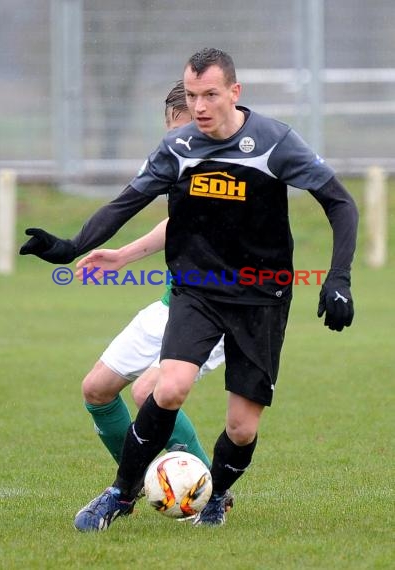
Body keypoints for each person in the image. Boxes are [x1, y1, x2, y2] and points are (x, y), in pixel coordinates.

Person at [20, 48, 358, 530]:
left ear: (234, 93)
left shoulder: (273, 142)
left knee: (242, 428)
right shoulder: (178, 147)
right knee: (167, 386)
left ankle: (216, 496)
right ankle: (119, 493)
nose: (199, 106)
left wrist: (338, 276)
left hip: (262, 297)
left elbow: (340, 203)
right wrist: (72, 245)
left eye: (210, 95)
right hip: (196, 290)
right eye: (193, 95)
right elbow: (126, 203)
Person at [73, 82, 225, 474]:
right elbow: (179, 222)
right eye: (173, 134)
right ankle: (131, 484)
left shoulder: (234, 174)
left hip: (217, 311)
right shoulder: (182, 167)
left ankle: (209, 494)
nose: (179, 144)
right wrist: (122, 255)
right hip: (170, 303)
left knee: (148, 393)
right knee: (96, 389)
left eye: (186, 133)